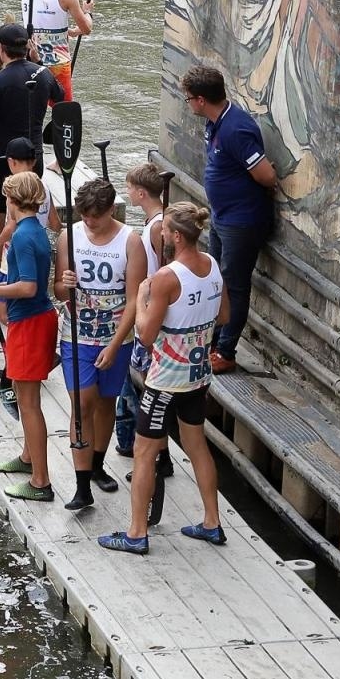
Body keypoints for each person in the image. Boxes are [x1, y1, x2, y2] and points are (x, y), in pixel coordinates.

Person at [98, 202, 228, 555]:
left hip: (166, 382)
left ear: (174, 236)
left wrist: (141, 296)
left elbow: (145, 334)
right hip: (199, 377)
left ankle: (136, 533)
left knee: (143, 452)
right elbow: (224, 315)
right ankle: (212, 522)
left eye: (164, 229)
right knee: (197, 445)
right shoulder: (213, 266)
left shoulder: (166, 278)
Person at [53, 178, 145, 510]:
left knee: (107, 403)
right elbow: (58, 293)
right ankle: (81, 487)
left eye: (96, 217)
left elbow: (135, 300)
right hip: (76, 335)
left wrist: (115, 343)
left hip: (115, 338)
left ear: (110, 211)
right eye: (85, 216)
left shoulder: (131, 242)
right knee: (81, 405)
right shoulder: (69, 236)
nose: (90, 223)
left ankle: (97, 465)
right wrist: (65, 284)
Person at [181, 65, 279, 374]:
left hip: (241, 221)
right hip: (223, 217)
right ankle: (213, 341)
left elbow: (266, 175)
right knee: (218, 281)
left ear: (200, 100)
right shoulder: (216, 123)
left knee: (235, 286)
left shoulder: (235, 130)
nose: (187, 103)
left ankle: (225, 350)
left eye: (188, 99)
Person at [0, 171, 59, 502]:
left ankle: (41, 481)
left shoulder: (23, 236)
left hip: (31, 323)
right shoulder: (33, 229)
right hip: (36, 319)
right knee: (24, 396)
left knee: (29, 402)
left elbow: (29, 286)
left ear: (11, 201)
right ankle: (27, 458)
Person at [0, 24, 63, 250]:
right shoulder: (43, 74)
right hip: (35, 157)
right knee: (28, 217)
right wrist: (39, 63)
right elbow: (62, 100)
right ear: (28, 46)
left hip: (5, 157)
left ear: (1, 49)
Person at [115, 162, 170, 458]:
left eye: (128, 188)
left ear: (139, 193)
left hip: (148, 312)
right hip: (143, 307)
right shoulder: (154, 223)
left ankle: (153, 451)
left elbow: (163, 269)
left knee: (138, 385)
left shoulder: (157, 226)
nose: (127, 192)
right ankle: (127, 442)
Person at [19, 0, 92, 103]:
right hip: (57, 63)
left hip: (29, 61)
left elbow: (43, 23)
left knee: (32, 109)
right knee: (64, 111)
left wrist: (70, 32)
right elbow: (86, 29)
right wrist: (87, 13)